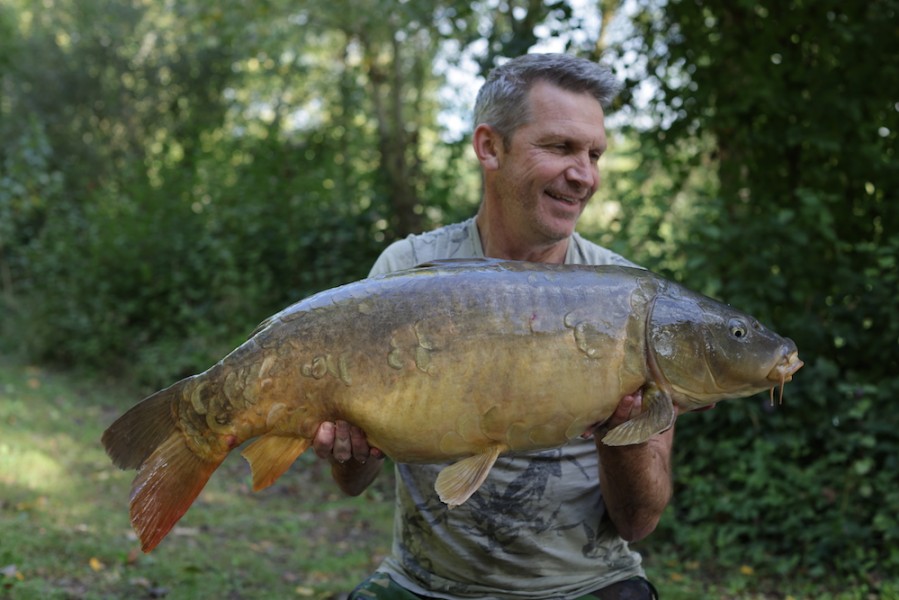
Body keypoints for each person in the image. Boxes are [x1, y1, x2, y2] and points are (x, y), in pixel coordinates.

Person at [313, 53, 674, 600]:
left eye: (594, 154)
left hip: (586, 585)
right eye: (560, 147)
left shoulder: (634, 298)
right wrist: (350, 451)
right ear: (490, 147)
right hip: (425, 585)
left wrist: (621, 431)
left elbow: (638, 522)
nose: (585, 175)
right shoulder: (405, 273)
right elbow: (353, 482)